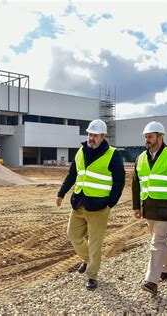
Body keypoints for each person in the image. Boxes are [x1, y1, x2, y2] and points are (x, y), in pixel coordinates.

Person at [56, 119, 125, 290]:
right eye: (89, 134)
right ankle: (88, 260)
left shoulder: (112, 154)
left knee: (95, 243)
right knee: (72, 235)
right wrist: (61, 193)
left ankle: (92, 275)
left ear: (103, 137)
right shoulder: (80, 151)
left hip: (99, 206)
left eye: (94, 135)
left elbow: (119, 181)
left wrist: (111, 203)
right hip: (79, 203)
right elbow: (72, 174)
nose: (91, 138)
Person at [132, 121, 167, 295]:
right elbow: (136, 185)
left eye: (150, 136)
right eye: (145, 137)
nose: (147, 140)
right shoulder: (140, 158)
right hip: (149, 207)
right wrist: (136, 206)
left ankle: (151, 280)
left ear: (160, 136)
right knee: (161, 240)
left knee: (157, 242)